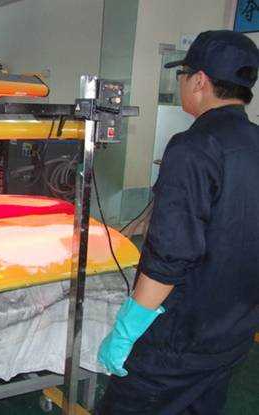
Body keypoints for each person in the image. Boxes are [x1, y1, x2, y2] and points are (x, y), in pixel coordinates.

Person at [96, 30, 259, 414]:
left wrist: (126, 331)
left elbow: (171, 255)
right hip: (233, 334)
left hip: (178, 344)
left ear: (199, 81)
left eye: (182, 75)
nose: (181, 83)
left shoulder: (193, 147)